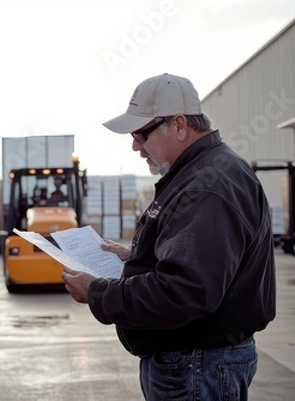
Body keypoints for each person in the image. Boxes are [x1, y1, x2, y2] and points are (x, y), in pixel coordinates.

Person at [62, 73, 276, 400]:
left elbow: (185, 291)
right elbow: (197, 266)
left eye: (141, 134)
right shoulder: (203, 173)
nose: (135, 145)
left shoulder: (205, 186)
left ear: (178, 125)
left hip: (195, 366)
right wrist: (136, 259)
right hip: (198, 362)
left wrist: (98, 292)